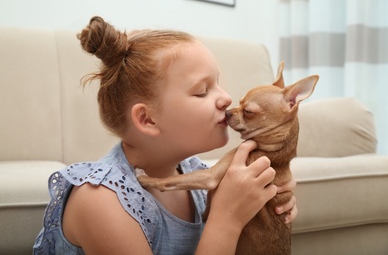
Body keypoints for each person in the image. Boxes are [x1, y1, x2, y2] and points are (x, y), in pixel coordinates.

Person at [33, 16, 297, 254]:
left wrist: (264, 212)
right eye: (202, 91)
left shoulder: (194, 175)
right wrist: (227, 219)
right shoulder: (101, 201)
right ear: (148, 119)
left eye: (218, 82)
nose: (226, 98)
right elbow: (223, 224)